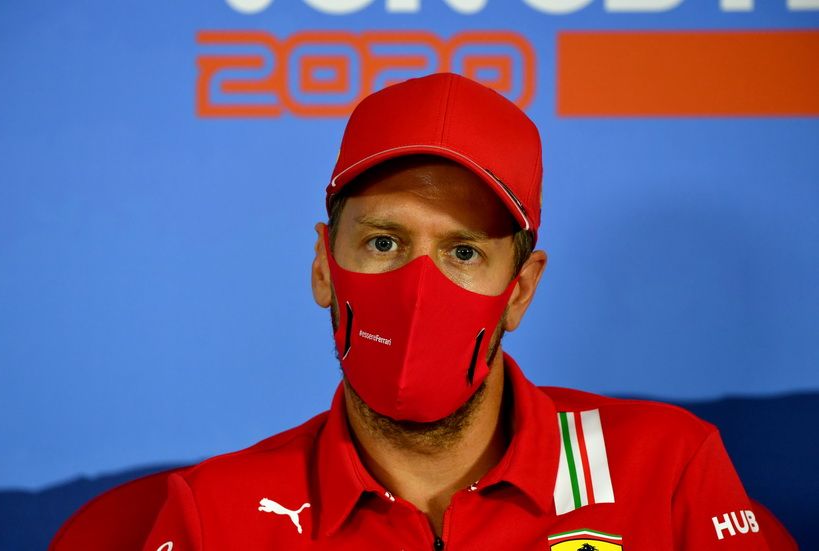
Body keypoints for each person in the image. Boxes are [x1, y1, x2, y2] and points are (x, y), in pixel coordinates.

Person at [142, 73, 770, 550]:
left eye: (463, 251)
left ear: (520, 289)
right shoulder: (216, 515)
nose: (420, 289)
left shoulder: (665, 470)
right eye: (383, 242)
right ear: (323, 266)